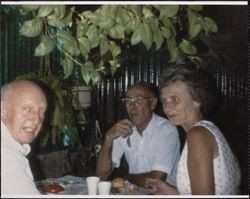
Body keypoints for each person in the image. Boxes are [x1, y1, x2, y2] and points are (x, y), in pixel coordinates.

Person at [146, 65, 241, 195]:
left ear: (197, 100)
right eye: (164, 101)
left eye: (175, 99)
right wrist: (173, 192)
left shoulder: (197, 135)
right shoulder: (210, 130)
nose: (167, 108)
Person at [96, 82, 180, 188]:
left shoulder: (167, 130)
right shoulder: (124, 128)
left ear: (152, 103)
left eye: (138, 100)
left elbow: (155, 180)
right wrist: (108, 139)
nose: (132, 106)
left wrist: (128, 178)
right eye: (128, 101)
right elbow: (102, 174)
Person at [1, 79, 47, 195]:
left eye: (41, 111)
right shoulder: (5, 155)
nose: (37, 119)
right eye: (27, 108)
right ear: (3, 110)